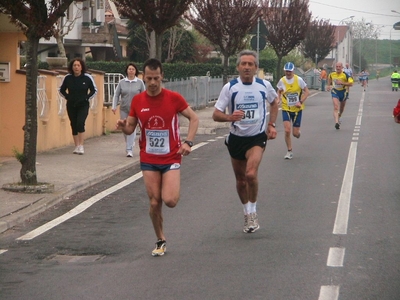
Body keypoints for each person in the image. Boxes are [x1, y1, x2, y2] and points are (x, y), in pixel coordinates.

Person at [116, 58, 199, 256]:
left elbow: (194, 118)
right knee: (154, 202)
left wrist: (188, 142)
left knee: (169, 200)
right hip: (149, 158)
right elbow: (130, 129)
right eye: (149, 78)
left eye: (156, 78)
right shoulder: (138, 100)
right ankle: (160, 239)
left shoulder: (173, 98)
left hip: (171, 157)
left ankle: (172, 187)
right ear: (144, 78)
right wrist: (122, 127)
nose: (153, 83)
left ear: (162, 77)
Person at [212, 50, 278, 233]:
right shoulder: (230, 88)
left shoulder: (264, 85)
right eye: (244, 64)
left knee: (250, 174)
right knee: (241, 181)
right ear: (238, 67)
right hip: (236, 139)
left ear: (256, 68)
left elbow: (274, 102)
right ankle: (246, 212)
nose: (247, 67)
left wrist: (271, 124)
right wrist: (230, 117)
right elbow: (216, 114)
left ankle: (254, 211)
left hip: (257, 137)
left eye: (251, 64)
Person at [59, 58, 98, 154]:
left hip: (83, 104)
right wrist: (67, 97)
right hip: (71, 104)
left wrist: (86, 98)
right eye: (74, 65)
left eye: (78, 65)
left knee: (80, 123)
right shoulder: (68, 78)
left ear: (81, 67)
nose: (76, 67)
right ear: (71, 67)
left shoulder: (87, 77)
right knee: (73, 124)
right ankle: (76, 146)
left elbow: (94, 90)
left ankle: (81, 145)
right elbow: (61, 90)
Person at [277, 62, 310, 160]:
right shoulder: (282, 81)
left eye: (290, 71)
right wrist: (278, 98)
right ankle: (289, 151)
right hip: (286, 108)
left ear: (293, 71)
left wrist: (300, 101)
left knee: (295, 134)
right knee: (287, 130)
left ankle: (298, 133)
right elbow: (278, 90)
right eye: (286, 71)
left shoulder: (298, 80)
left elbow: (307, 92)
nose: (288, 73)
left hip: (297, 109)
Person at [112, 63, 146, 157]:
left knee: (131, 128)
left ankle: (129, 149)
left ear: (135, 71)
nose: (131, 71)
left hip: (135, 110)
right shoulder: (122, 82)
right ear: (127, 70)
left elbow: (144, 96)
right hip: (124, 108)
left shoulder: (139, 82)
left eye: (133, 69)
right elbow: (116, 95)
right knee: (124, 127)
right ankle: (129, 143)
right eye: (129, 69)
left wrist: (144, 108)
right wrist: (114, 106)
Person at [327, 62, 354, 129]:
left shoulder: (345, 75)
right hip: (335, 91)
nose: (338, 68)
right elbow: (329, 78)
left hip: (343, 92)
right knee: (336, 106)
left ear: (342, 67)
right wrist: (328, 85)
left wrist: (342, 83)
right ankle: (336, 122)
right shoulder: (332, 74)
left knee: (341, 108)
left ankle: (339, 116)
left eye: (339, 66)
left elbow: (351, 84)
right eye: (337, 66)